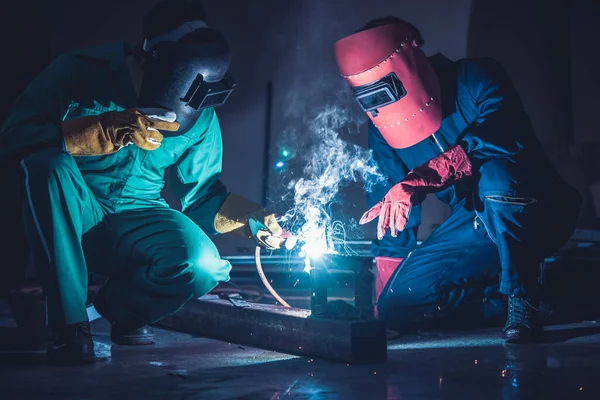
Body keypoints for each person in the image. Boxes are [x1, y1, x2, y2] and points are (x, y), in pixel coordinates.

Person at [0, 0, 285, 365]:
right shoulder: (77, 72)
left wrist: (253, 219)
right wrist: (91, 133)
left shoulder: (201, 115)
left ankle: (122, 307)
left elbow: (202, 196)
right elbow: (13, 138)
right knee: (48, 164)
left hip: (139, 215)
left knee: (204, 263)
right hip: (72, 207)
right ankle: (69, 328)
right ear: (150, 57)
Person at [334, 17, 581, 343]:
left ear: (412, 53)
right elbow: (391, 203)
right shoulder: (384, 128)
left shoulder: (476, 77)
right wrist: (382, 302)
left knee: (494, 178)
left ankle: (523, 300)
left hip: (534, 208)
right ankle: (523, 300)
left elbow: (501, 135)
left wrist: (425, 177)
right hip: (474, 223)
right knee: (399, 307)